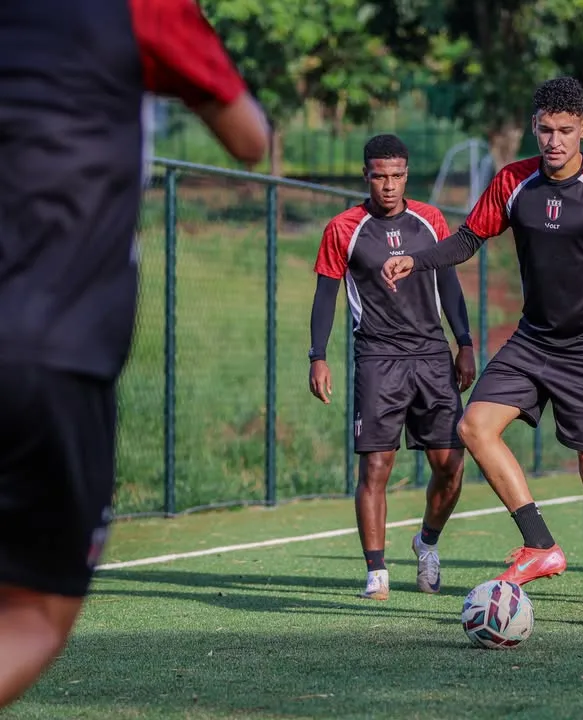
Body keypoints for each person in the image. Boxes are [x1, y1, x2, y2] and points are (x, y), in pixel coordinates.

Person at [0, 0, 269, 709]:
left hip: (50, 352)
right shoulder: (140, 9)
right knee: (36, 610)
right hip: (52, 353)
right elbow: (250, 137)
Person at [381, 77, 583, 627]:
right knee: (474, 426)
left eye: (565, 130)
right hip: (533, 340)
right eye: (545, 129)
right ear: (534, 127)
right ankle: (540, 544)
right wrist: (417, 258)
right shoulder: (513, 181)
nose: (554, 141)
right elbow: (468, 239)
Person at [309, 134, 475, 601]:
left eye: (397, 176)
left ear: (407, 176)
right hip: (378, 358)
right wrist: (317, 356)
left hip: (432, 355)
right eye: (380, 176)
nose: (388, 185)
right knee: (377, 466)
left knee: (450, 465)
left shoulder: (431, 220)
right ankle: (376, 572)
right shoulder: (343, 228)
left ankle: (427, 543)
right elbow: (325, 296)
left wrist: (464, 343)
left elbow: (450, 286)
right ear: (366, 175)